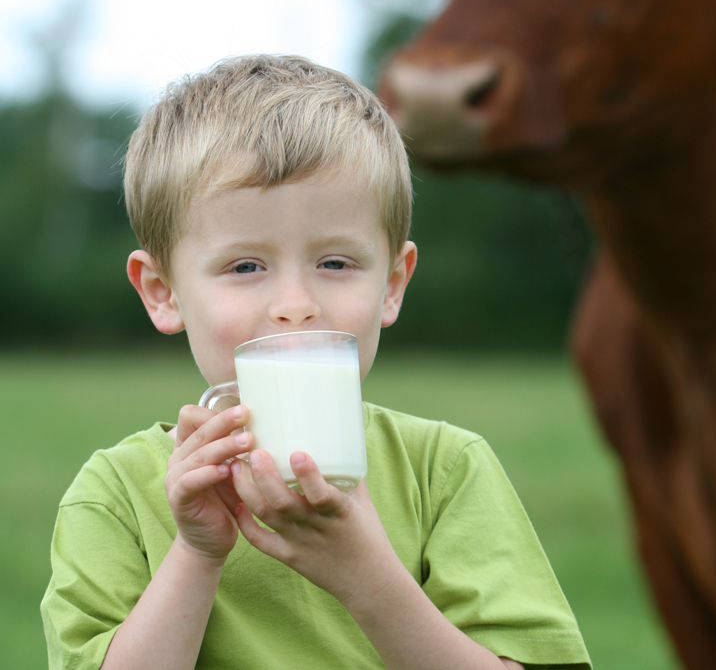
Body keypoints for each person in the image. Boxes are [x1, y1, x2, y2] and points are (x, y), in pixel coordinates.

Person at [41, 54, 592, 670]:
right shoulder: (115, 496)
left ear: (392, 284)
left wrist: (367, 578)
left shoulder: (445, 472)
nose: (296, 306)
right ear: (162, 292)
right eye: (245, 266)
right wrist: (196, 554)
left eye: (335, 263)